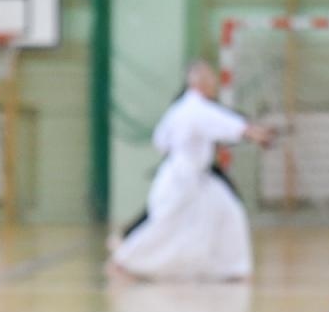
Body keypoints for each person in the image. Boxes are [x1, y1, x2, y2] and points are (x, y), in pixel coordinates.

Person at [109, 60, 273, 281]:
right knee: (164, 223)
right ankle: (123, 261)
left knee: (229, 211)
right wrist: (251, 132)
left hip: (198, 177)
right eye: (211, 79)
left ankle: (234, 268)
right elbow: (224, 123)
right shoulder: (194, 109)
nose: (215, 84)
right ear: (200, 83)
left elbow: (161, 140)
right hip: (180, 179)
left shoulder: (182, 108)